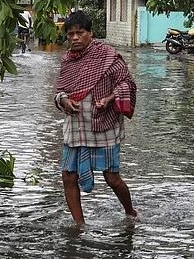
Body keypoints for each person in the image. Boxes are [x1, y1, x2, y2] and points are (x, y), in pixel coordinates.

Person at [54, 11, 138, 225]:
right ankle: (79, 226)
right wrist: (64, 101)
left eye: (79, 33)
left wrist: (110, 98)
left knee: (112, 178)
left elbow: (126, 84)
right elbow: (60, 91)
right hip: (75, 124)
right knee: (68, 176)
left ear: (90, 33)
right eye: (70, 34)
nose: (74, 38)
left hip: (104, 124)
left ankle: (130, 212)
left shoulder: (109, 57)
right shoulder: (67, 61)